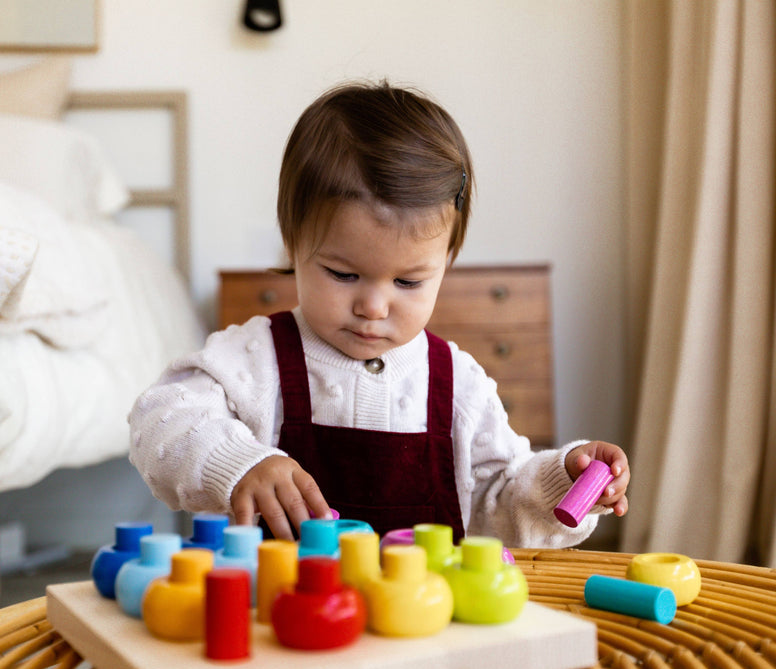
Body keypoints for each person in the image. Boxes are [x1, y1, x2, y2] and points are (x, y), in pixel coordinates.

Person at [128, 80, 630, 546]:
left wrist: (563, 478)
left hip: (423, 630)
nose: (373, 306)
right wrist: (236, 464)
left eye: (409, 282)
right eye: (343, 274)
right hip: (280, 625)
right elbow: (160, 421)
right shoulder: (255, 358)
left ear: (446, 263)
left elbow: (498, 502)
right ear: (293, 245)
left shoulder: (458, 384)